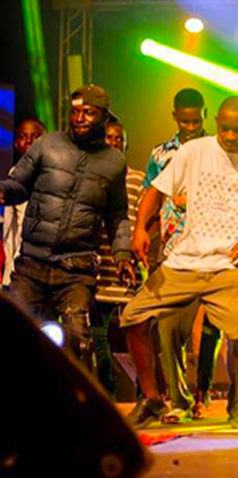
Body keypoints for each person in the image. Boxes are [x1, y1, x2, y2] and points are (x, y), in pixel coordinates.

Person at [121, 95, 238, 429]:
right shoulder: (194, 151)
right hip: (185, 261)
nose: (231, 136)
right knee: (133, 317)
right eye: (225, 129)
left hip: (231, 263)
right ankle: (152, 399)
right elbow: (156, 190)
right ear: (217, 123)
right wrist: (139, 228)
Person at [0, 86, 137, 367]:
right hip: (32, 265)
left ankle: (74, 394)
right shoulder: (47, 145)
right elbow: (19, 185)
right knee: (11, 331)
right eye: (75, 112)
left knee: (78, 343)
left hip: (76, 270)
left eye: (88, 113)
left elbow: (117, 215)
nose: (80, 118)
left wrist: (122, 254)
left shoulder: (114, 162)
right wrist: (4, 191)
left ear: (104, 117)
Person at [140, 88, 210, 424]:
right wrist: (143, 233)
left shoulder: (218, 149)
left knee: (202, 332)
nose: (192, 127)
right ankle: (179, 399)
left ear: (205, 115)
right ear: (174, 117)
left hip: (209, 249)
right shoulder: (160, 153)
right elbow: (151, 197)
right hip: (171, 249)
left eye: (196, 120)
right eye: (185, 121)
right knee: (167, 326)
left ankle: (201, 395)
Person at [92, 121, 147, 395]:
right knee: (98, 335)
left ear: (126, 144)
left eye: (119, 139)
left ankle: (143, 392)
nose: (113, 142)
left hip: (129, 265)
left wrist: (138, 246)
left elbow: (146, 218)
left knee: (135, 330)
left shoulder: (137, 179)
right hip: (100, 265)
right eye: (109, 137)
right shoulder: (91, 177)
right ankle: (106, 392)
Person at [3, 118, 46, 289]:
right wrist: (9, 268)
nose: (29, 141)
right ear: (15, 143)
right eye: (23, 136)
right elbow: (9, 227)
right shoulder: (14, 174)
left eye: (35, 136)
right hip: (22, 259)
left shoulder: (56, 172)